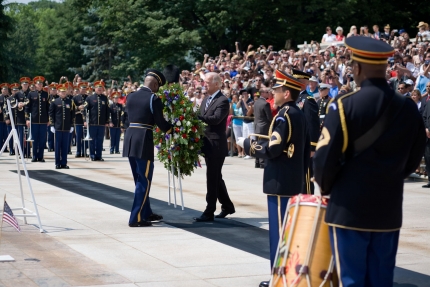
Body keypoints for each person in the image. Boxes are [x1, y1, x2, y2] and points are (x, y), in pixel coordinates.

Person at [313, 37, 426, 287]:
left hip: (348, 209)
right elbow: (416, 154)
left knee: (351, 280)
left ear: (356, 68)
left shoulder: (344, 105)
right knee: (382, 279)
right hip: (388, 208)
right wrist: (392, 176)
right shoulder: (407, 108)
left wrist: (330, 188)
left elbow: (324, 159)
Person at [238, 70, 310, 287]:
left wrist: (249, 145)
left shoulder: (285, 114)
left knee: (279, 236)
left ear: (287, 93)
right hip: (290, 179)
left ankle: (279, 279)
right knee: (289, 234)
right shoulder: (297, 113)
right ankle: (286, 277)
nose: (274, 93)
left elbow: (274, 148)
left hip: (280, 182)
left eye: (277, 90)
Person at [123, 69, 173, 227]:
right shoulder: (153, 98)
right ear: (155, 84)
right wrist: (173, 130)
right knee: (144, 180)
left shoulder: (130, 96)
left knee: (139, 179)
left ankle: (146, 212)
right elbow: (161, 123)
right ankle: (136, 218)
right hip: (143, 139)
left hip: (130, 138)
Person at [194, 72, 235, 222]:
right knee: (216, 177)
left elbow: (216, 120)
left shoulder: (223, 101)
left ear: (217, 84)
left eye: (207, 82)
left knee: (212, 178)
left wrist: (196, 117)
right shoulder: (206, 99)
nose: (204, 85)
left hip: (216, 145)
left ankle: (209, 211)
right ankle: (227, 206)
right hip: (207, 144)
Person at [292, 69, 320, 194]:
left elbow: (312, 124)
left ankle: (307, 205)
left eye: (296, 81)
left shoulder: (308, 100)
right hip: (297, 145)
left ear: (303, 83)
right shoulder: (295, 99)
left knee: (306, 179)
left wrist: (312, 147)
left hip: (306, 146)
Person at [49, 84, 75, 169]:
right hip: (58, 127)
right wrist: (52, 125)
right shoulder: (54, 101)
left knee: (65, 146)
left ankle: (64, 163)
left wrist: (72, 125)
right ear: (58, 92)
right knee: (57, 146)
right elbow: (51, 114)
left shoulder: (70, 102)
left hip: (67, 127)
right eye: (61, 92)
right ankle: (57, 163)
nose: (63, 93)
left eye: (64, 91)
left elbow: (72, 115)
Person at [26, 76, 49, 162]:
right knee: (34, 139)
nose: (39, 85)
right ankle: (34, 156)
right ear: (35, 85)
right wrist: (27, 119)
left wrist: (48, 119)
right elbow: (27, 108)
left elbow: (48, 107)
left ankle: (41, 156)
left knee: (42, 139)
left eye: (41, 84)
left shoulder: (46, 94)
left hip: (43, 120)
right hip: (34, 120)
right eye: (38, 84)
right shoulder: (31, 94)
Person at [84, 81, 109, 161]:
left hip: (101, 123)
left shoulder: (105, 98)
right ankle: (92, 155)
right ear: (95, 89)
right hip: (92, 123)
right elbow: (85, 110)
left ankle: (99, 155)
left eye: (101, 88)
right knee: (92, 140)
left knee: (100, 140)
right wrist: (85, 120)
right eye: (98, 88)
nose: (99, 89)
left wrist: (107, 121)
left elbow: (107, 111)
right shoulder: (90, 98)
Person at [252, 87, 273, 168]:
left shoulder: (256, 102)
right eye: (267, 92)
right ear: (262, 93)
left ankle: (257, 162)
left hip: (257, 126)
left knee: (257, 144)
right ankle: (262, 163)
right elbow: (269, 117)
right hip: (264, 126)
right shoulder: (265, 103)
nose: (268, 93)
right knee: (263, 144)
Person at [73, 82, 89, 157]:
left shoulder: (88, 97)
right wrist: (78, 108)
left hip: (86, 120)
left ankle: (84, 151)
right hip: (78, 120)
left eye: (85, 89)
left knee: (85, 137)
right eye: (82, 89)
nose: (83, 90)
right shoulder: (76, 98)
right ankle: (78, 152)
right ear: (79, 89)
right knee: (78, 137)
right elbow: (72, 108)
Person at [0, 83, 8, 150]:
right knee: (0, 134)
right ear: (1, 90)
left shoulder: (9, 97)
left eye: (6, 89)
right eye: (4, 89)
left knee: (6, 134)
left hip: (7, 120)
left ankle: (5, 148)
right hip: (0, 119)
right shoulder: (0, 97)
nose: (5, 91)